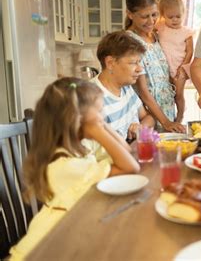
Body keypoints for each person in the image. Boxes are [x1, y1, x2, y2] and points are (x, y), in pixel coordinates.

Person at [9, 77, 140, 260]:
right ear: (77, 119)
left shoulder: (79, 147)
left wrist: (100, 124)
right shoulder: (65, 166)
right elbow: (131, 167)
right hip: (44, 249)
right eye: (99, 112)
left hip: (70, 232)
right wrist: (97, 129)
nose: (102, 118)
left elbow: (127, 151)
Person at [125, 0, 186, 133]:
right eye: (144, 16)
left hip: (168, 109)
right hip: (149, 115)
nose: (151, 21)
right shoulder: (129, 41)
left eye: (154, 15)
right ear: (130, 14)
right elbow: (143, 91)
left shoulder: (157, 36)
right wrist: (165, 122)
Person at [92, 30, 155, 140]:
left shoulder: (126, 87)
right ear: (110, 63)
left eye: (139, 62)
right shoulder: (91, 99)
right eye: (133, 63)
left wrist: (141, 127)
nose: (140, 69)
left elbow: (148, 118)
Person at [156, 0, 194, 123]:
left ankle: (180, 116)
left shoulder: (187, 32)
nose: (175, 20)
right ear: (163, 15)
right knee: (167, 95)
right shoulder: (160, 27)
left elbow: (190, 51)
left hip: (180, 68)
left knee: (178, 95)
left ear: (184, 13)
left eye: (178, 16)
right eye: (170, 17)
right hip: (164, 68)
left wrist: (182, 67)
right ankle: (168, 117)